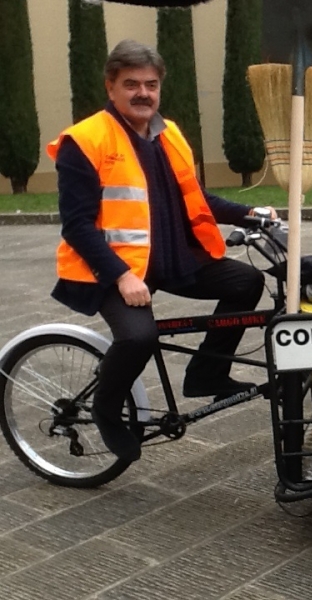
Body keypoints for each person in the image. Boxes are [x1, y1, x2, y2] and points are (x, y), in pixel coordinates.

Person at [47, 40, 274, 462]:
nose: (143, 93)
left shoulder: (168, 134)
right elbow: (76, 225)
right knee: (139, 337)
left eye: (150, 85)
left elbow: (196, 197)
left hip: (170, 259)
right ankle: (106, 410)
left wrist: (249, 215)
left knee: (246, 281)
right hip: (114, 268)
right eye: (131, 84)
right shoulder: (85, 140)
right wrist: (121, 276)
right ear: (110, 86)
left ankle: (208, 373)